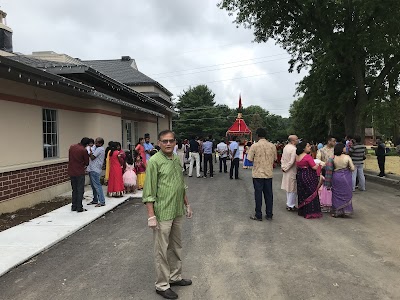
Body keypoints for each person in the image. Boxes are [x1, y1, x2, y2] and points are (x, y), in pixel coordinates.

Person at [143, 130, 193, 300]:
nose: (168, 144)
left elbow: (181, 183)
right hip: (162, 212)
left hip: (177, 210)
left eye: (171, 141)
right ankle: (162, 285)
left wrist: (187, 204)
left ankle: (175, 277)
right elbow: (148, 191)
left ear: (175, 142)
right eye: (164, 141)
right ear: (159, 143)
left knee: (176, 246)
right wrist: (151, 215)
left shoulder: (176, 158)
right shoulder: (154, 162)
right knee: (161, 250)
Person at [247, 128, 277, 221]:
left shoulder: (254, 146)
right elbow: (275, 159)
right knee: (269, 195)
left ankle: (258, 214)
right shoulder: (272, 146)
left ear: (257, 135)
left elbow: (250, 159)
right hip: (268, 173)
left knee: (258, 195)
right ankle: (269, 214)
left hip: (257, 174)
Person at [295, 141, 323, 219]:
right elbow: (314, 167)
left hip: (300, 175)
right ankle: (311, 211)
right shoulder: (307, 157)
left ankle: (303, 210)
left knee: (303, 193)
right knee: (311, 193)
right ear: (304, 148)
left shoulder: (298, 156)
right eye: (308, 146)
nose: (310, 147)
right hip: (308, 176)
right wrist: (318, 164)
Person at [331, 143, 355, 217]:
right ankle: (346, 211)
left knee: (336, 193)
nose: (345, 148)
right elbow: (353, 168)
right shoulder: (347, 157)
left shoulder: (333, 157)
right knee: (346, 192)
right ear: (342, 149)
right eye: (344, 147)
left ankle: (337, 211)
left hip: (336, 176)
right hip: (345, 177)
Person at [68, 137, 90, 212]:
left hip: (71, 171)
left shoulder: (72, 147)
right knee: (80, 189)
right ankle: (79, 207)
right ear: (86, 144)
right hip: (79, 172)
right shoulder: (83, 150)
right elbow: (87, 162)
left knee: (74, 189)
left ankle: (74, 206)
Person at [281, 135, 298, 211]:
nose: (298, 140)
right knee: (292, 188)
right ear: (293, 141)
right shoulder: (294, 149)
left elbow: (282, 158)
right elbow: (292, 161)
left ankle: (289, 203)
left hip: (286, 169)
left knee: (288, 188)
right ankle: (291, 205)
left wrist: (283, 167)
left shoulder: (286, 147)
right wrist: (286, 168)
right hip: (291, 170)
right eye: (297, 139)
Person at [87, 137, 106, 207]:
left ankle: (102, 201)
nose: (95, 143)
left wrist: (89, 152)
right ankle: (95, 199)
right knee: (93, 186)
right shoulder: (96, 148)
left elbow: (92, 157)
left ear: (100, 143)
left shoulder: (100, 149)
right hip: (92, 169)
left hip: (95, 169)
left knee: (97, 186)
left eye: (97, 142)